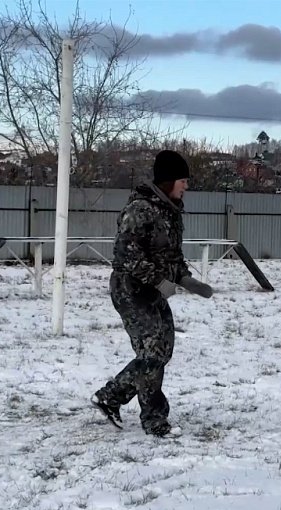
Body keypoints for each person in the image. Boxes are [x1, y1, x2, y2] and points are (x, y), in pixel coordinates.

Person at [91, 150, 213, 437]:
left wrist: (185, 279)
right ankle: (155, 420)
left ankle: (110, 397)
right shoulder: (140, 210)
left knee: (162, 351)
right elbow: (125, 255)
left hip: (154, 291)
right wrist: (159, 281)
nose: (186, 186)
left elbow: (172, 254)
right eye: (183, 180)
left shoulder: (171, 210)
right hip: (131, 290)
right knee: (152, 353)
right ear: (168, 180)